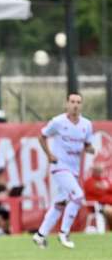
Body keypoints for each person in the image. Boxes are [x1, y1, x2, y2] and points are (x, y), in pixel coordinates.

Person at [33, 93, 94, 249]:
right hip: (59, 166)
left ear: (82, 105)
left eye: (78, 102)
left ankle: (40, 235)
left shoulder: (86, 124)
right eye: (72, 102)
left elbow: (87, 144)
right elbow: (42, 136)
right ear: (66, 104)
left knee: (60, 203)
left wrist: (90, 149)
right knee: (78, 195)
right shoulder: (58, 122)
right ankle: (64, 233)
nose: (75, 105)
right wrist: (49, 154)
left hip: (73, 170)